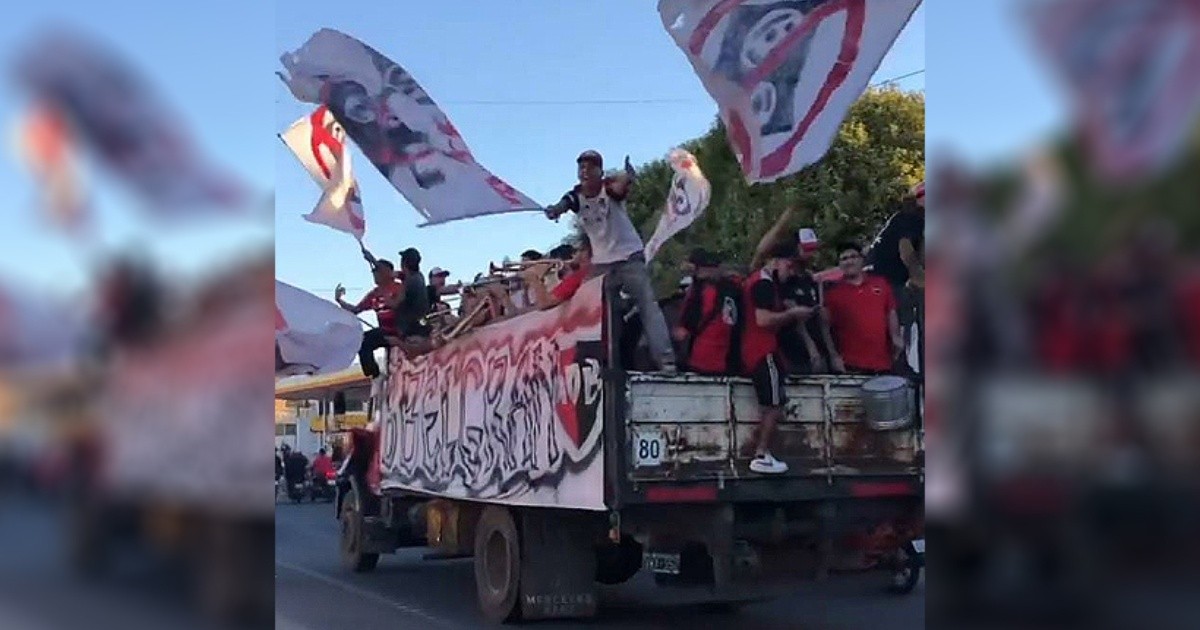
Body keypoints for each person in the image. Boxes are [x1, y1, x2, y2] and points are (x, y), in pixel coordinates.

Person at [543, 149, 676, 373]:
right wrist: (555, 211)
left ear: (599, 172)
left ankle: (666, 360)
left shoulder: (608, 189)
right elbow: (565, 204)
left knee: (647, 303)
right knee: (596, 308)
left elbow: (619, 188)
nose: (585, 172)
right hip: (602, 263)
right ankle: (604, 361)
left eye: (590, 167)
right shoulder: (575, 196)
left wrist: (628, 177)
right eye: (581, 168)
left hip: (629, 256)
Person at [741, 241, 816, 474]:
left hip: (760, 349)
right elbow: (763, 319)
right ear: (775, 262)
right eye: (789, 266)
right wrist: (792, 313)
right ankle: (761, 454)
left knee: (773, 402)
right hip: (761, 349)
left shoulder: (763, 283)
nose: (791, 272)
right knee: (774, 404)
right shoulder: (763, 284)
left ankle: (763, 452)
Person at [823, 242, 904, 375]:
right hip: (851, 364)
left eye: (853, 257)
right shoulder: (833, 293)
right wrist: (833, 356)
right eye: (844, 259)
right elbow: (825, 327)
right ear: (839, 265)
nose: (849, 261)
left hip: (883, 363)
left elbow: (891, 311)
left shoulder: (881, 284)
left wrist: (896, 337)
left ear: (862, 260)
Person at [673, 248, 741, 376]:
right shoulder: (735, 287)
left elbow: (683, 331)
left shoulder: (699, 292)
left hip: (702, 360)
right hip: (731, 361)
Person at [335, 259, 402, 380]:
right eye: (373, 272)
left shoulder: (399, 287)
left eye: (377, 271)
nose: (374, 275)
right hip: (385, 331)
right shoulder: (374, 294)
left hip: (401, 328)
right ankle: (375, 375)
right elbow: (356, 309)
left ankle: (376, 375)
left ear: (387, 272)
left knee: (367, 339)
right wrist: (339, 300)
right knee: (361, 341)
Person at [523, 236, 592, 310]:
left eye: (579, 250)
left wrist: (534, 280)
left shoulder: (576, 278)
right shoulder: (577, 277)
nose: (575, 255)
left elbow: (544, 304)